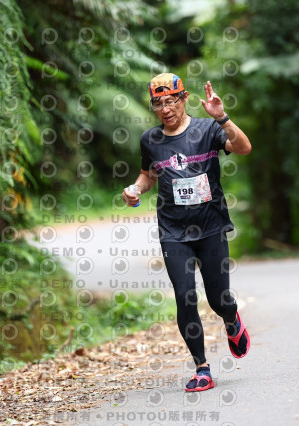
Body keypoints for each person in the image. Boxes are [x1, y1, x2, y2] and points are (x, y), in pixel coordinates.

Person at [122, 73, 252, 392]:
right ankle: (202, 368)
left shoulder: (208, 129)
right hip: (173, 230)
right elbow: (148, 175)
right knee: (184, 296)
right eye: (158, 104)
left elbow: (243, 147)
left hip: (211, 227)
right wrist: (135, 189)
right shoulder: (150, 140)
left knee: (219, 299)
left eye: (170, 101)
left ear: (184, 99)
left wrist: (222, 117)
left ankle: (231, 319)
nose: (165, 109)